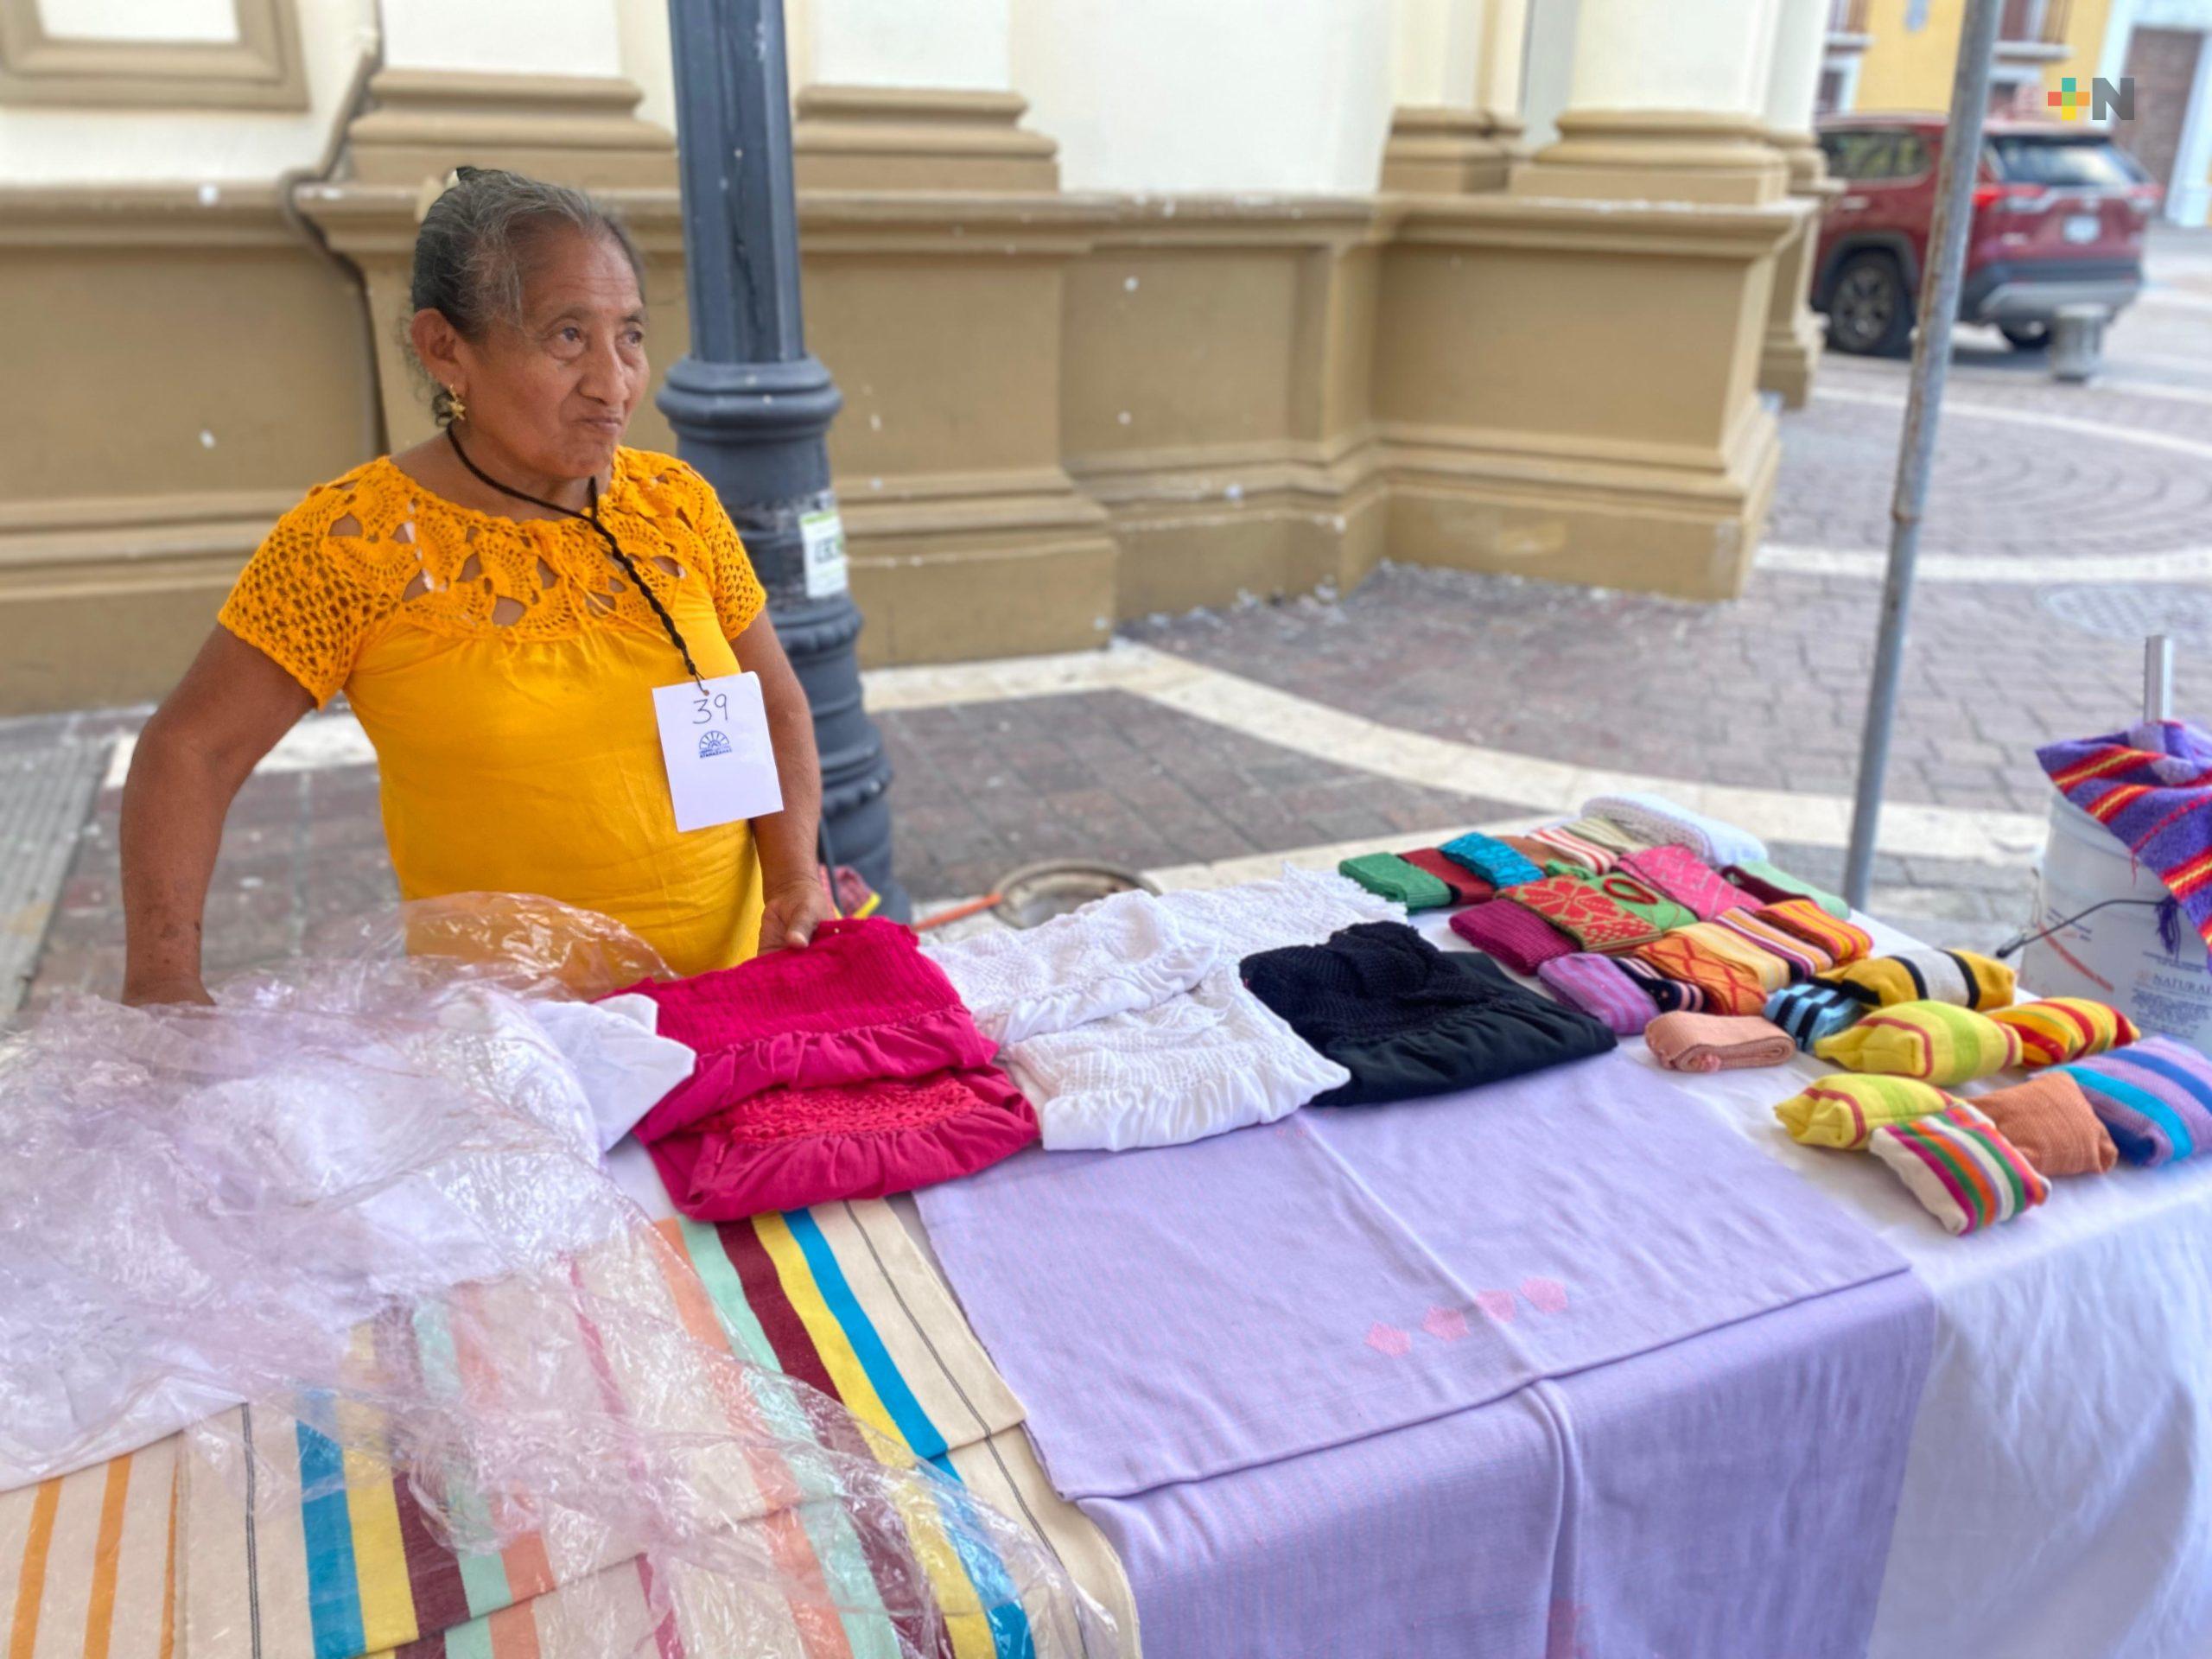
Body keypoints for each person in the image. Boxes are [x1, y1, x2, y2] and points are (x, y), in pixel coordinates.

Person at [118, 167, 832, 1005]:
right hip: (515, 1047)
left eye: (629, 335)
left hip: (733, 1004)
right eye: (568, 336)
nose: (614, 382)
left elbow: (773, 703)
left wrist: (792, 881)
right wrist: (165, 985)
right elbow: (191, 752)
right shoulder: (355, 540)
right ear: (445, 348)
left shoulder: (674, 503)